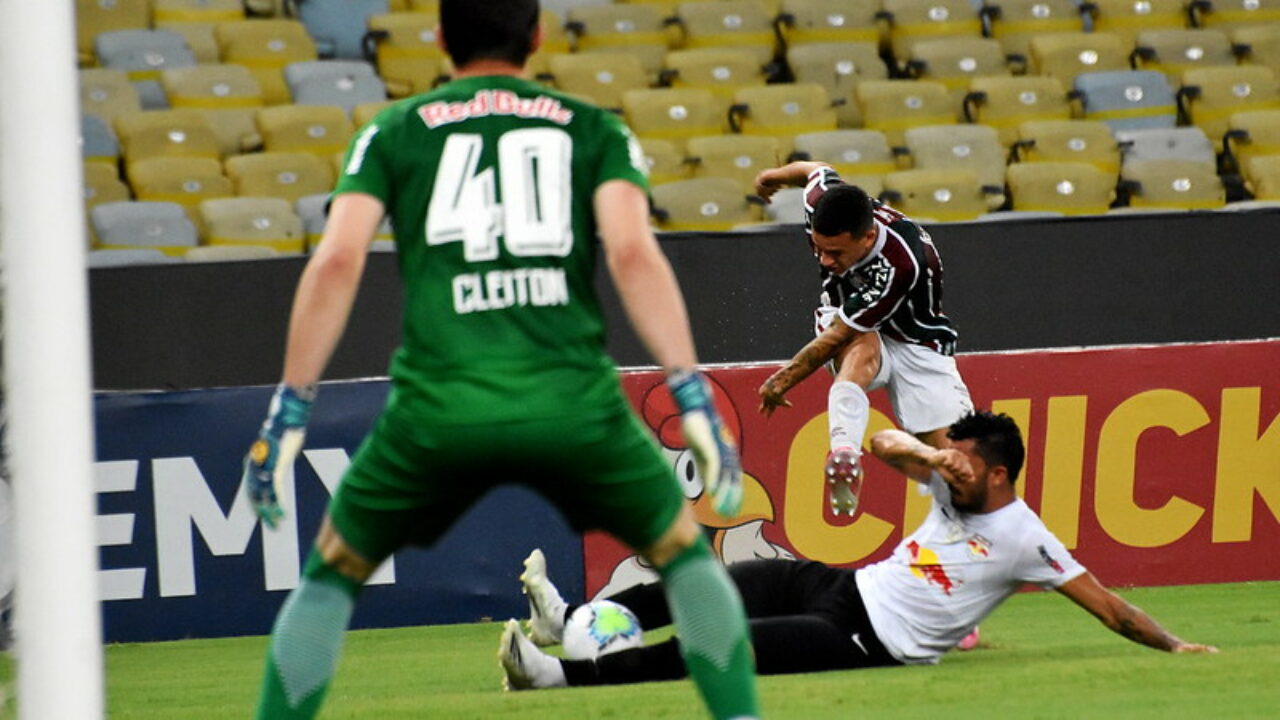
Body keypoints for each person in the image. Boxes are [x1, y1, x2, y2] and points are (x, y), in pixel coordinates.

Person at [240, 2, 760, 718]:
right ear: (538, 36)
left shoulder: (391, 131)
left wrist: (291, 407)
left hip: (438, 410)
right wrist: (691, 394)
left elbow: (335, 262)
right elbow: (634, 252)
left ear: (440, 39)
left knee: (331, 573)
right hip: (573, 404)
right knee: (685, 556)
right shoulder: (593, 128)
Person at [499, 411, 1217, 689]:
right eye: (950, 457)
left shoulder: (1027, 539)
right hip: (839, 586)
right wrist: (935, 460)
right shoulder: (947, 481)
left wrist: (1174, 645)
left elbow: (1109, 608)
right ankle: (568, 623)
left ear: (1000, 475)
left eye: (965, 462)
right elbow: (879, 441)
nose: (952, 466)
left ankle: (555, 678)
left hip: (863, 638)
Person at [752, 161, 974, 518]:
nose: (825, 260)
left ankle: (962, 539)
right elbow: (816, 169)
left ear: (867, 238)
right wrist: (773, 177)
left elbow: (837, 336)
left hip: (919, 343)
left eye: (836, 253)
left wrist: (783, 380)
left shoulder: (901, 263)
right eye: (818, 248)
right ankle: (844, 454)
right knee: (860, 347)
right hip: (854, 323)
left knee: (960, 468)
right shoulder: (820, 202)